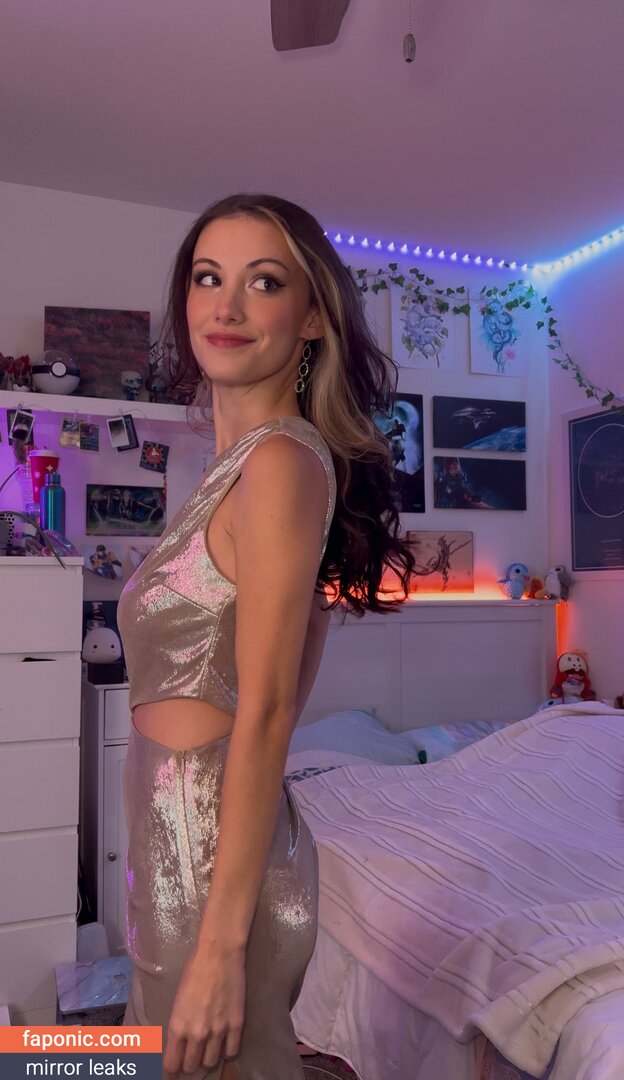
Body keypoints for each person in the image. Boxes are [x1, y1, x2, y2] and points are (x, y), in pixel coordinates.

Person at [117, 193, 415, 1080]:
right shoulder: (240, 468)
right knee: (128, 1058)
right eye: (209, 278)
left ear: (313, 316)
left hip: (209, 862)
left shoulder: (280, 463)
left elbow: (271, 707)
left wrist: (220, 946)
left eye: (265, 282)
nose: (227, 305)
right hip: (174, 846)